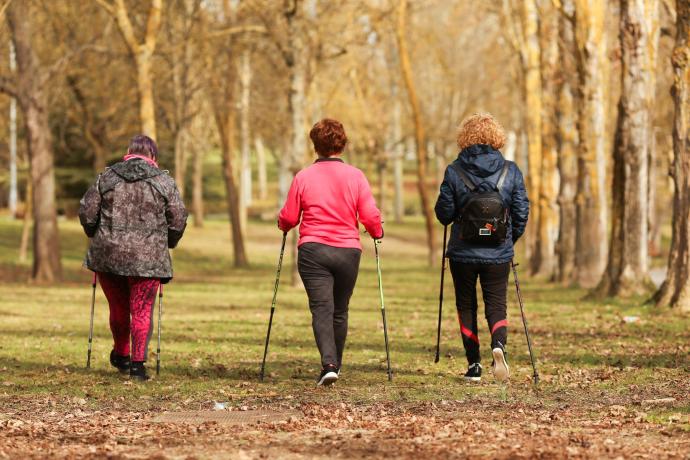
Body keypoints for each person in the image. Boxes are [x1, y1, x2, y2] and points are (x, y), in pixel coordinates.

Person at [278, 118, 383, 386]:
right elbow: (370, 216)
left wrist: (283, 224)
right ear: (342, 144)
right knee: (340, 310)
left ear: (315, 146)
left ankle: (329, 364)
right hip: (348, 251)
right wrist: (377, 232)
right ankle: (335, 364)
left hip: (314, 250)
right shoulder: (356, 176)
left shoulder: (303, 176)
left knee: (321, 308)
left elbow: (289, 217)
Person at [79, 135, 188, 381]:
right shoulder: (163, 181)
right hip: (148, 259)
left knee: (118, 307)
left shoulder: (107, 177)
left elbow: (87, 211)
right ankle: (138, 366)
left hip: (108, 255)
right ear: (154, 157)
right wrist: (169, 242)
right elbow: (178, 217)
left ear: (127, 152)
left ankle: (121, 355)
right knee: (141, 310)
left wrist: (95, 234)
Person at [434, 113, 529, 383]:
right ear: (497, 137)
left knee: (466, 305)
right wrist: (509, 239)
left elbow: (444, 214)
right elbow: (521, 212)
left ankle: (474, 365)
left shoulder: (454, 170)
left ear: (464, 137)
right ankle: (498, 345)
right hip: (498, 252)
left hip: (463, 253)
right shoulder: (511, 171)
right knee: (496, 303)